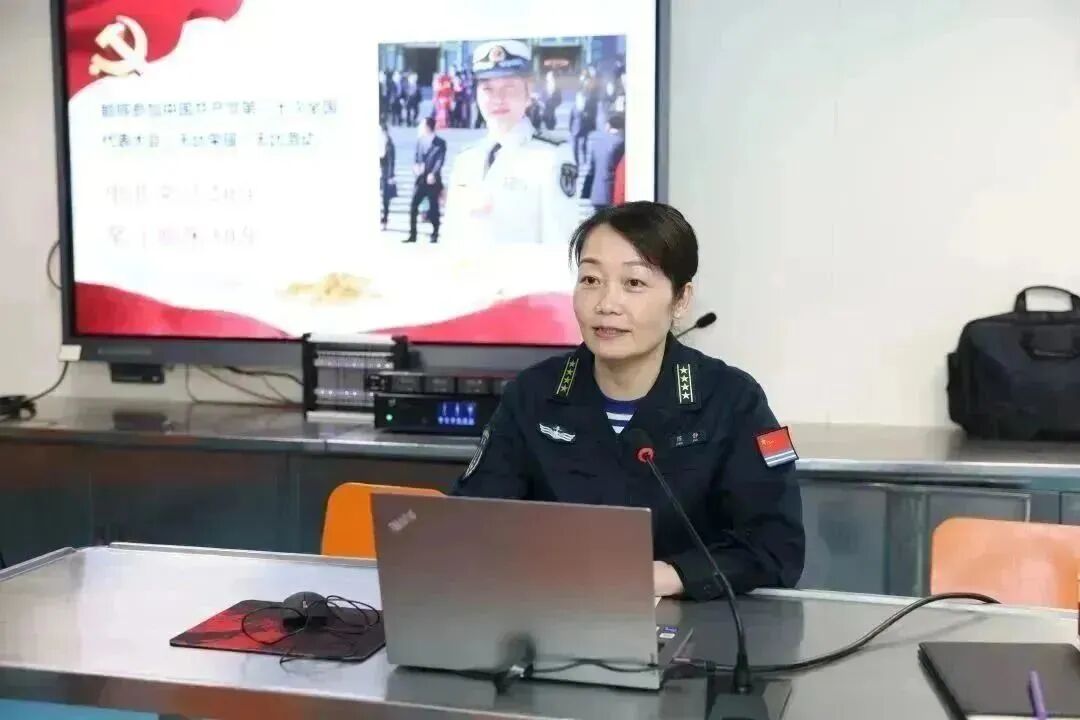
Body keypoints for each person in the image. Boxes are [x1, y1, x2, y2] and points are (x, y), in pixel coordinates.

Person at [452, 202, 805, 600]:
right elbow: (472, 522)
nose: (606, 304)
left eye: (634, 283)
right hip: (554, 612)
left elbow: (778, 547)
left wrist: (669, 576)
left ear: (681, 299)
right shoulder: (532, 394)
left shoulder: (735, 400)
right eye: (590, 279)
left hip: (696, 621)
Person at [443, 40, 581, 246]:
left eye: (509, 88)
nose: (498, 99)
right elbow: (451, 237)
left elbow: (561, 244)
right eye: (487, 89)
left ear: (528, 91)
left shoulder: (551, 156)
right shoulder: (466, 158)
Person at [406, 117, 446, 244]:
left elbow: (440, 160)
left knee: (434, 208)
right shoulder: (420, 141)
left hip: (432, 181)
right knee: (413, 206)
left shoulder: (440, 143)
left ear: (428, 127)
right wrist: (415, 167)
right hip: (420, 179)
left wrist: (433, 173)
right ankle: (412, 235)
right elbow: (416, 158)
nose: (420, 128)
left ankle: (434, 234)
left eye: (422, 125)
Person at [581, 112, 625, 210]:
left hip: (597, 194)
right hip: (612, 194)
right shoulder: (621, 142)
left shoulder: (597, 143)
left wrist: (586, 192)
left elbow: (591, 170)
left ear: (608, 126)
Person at [379, 122, 396, 230]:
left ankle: (384, 219)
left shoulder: (389, 143)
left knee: (385, 198)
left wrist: (391, 175)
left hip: (384, 173)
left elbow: (391, 161)